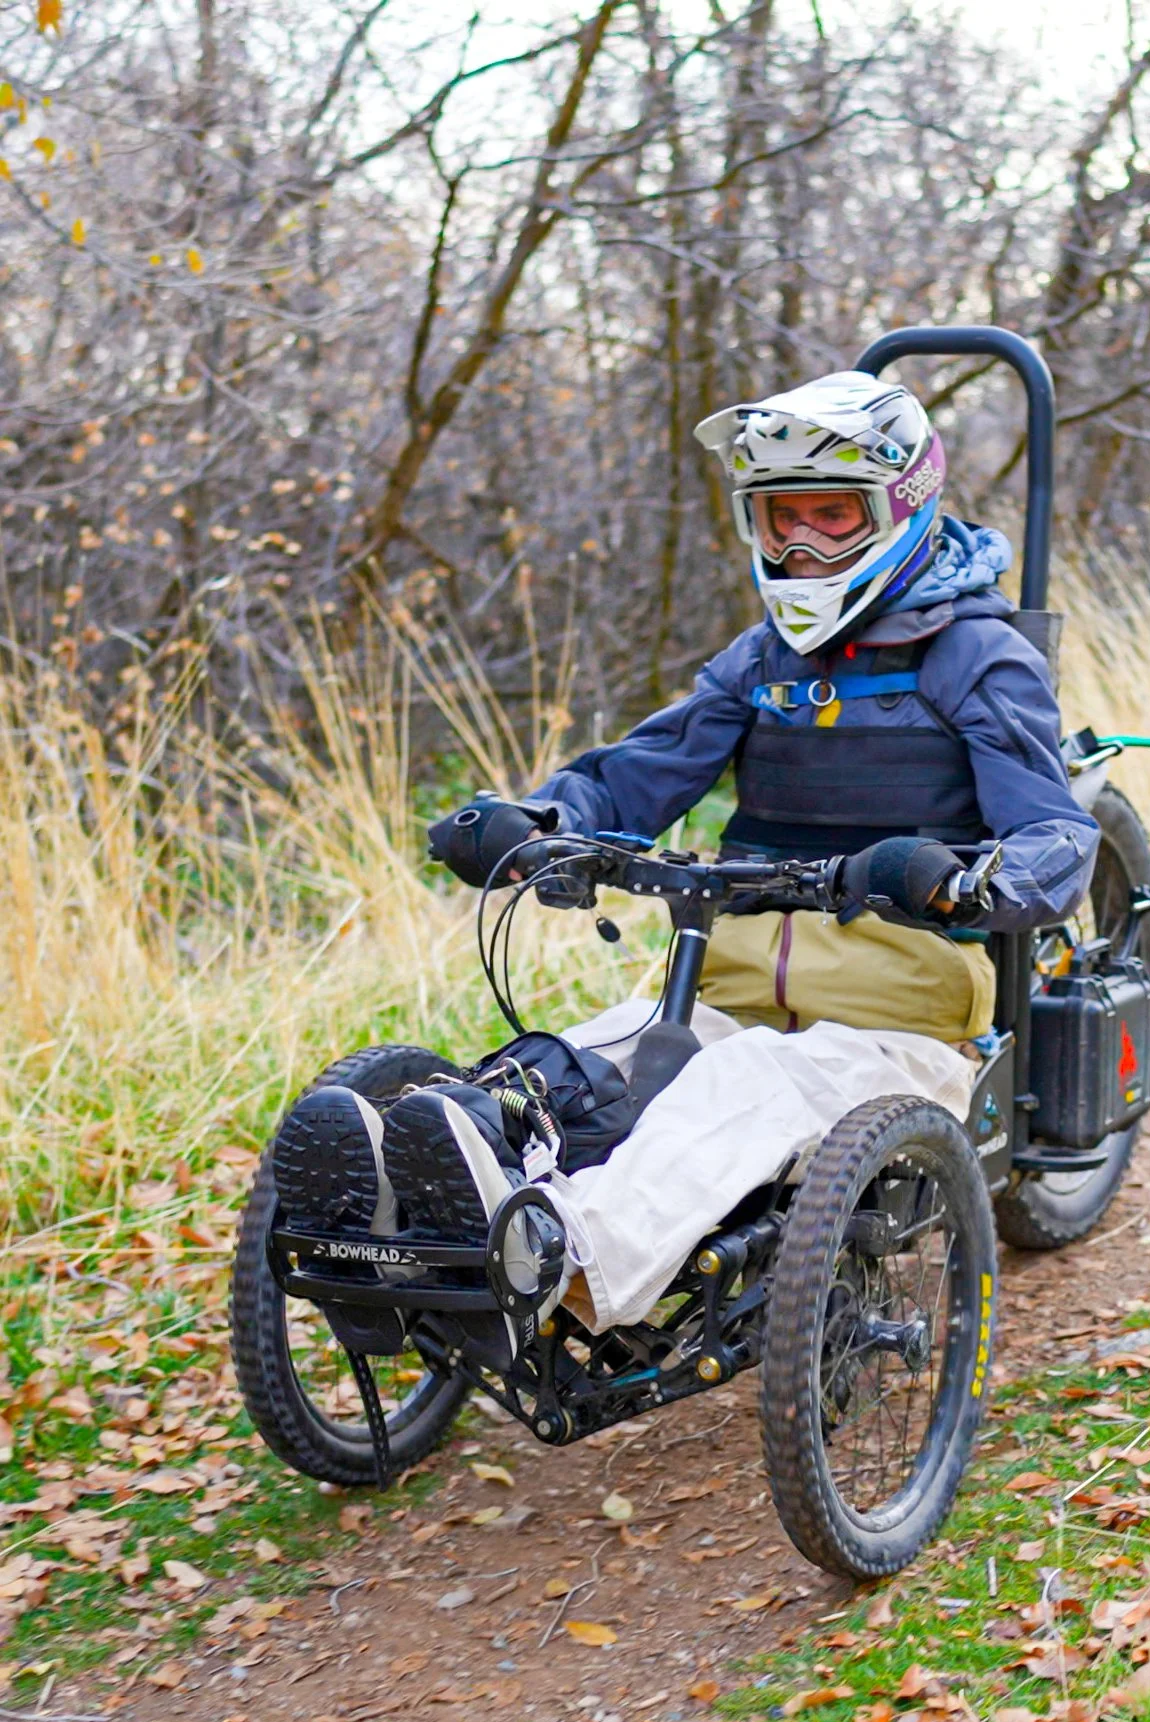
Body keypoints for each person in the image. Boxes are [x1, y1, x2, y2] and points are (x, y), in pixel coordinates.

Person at [272, 370, 1097, 1323]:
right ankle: (414, 1219)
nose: (800, 545)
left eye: (831, 516)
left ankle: (563, 1260)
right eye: (780, 518)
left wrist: (959, 880)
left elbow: (1056, 836)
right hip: (726, 995)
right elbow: (638, 775)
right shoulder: (762, 662)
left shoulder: (979, 658)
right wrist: (540, 826)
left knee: (742, 1088)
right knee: (578, 1065)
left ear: (899, 507)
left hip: (900, 1024)